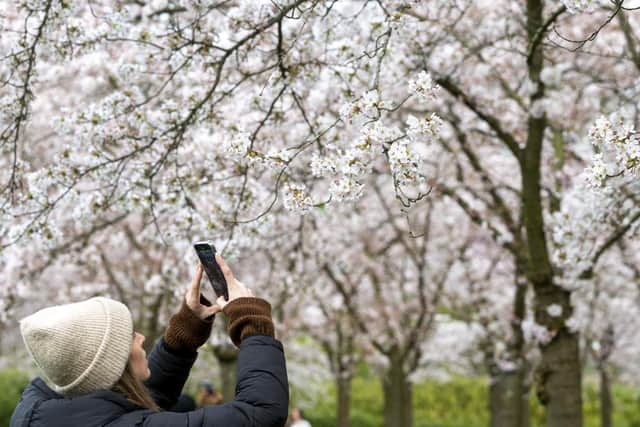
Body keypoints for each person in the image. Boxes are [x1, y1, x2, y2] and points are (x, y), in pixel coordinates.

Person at [10, 254, 288, 426]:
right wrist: (251, 321)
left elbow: (136, 405)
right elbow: (260, 414)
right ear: (115, 364)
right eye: (131, 336)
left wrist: (185, 333)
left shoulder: (48, 415)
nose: (141, 337)